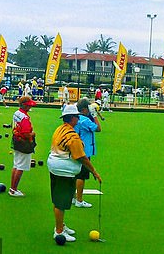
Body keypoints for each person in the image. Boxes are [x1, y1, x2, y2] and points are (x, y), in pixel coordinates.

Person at [47, 104, 102, 243]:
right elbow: (82, 157)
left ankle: (61, 226)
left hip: (54, 167)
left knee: (57, 200)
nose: (78, 118)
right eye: (76, 116)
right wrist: (94, 171)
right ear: (72, 118)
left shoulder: (59, 129)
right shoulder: (72, 136)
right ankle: (58, 231)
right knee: (61, 202)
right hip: (63, 171)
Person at [73, 98, 101, 208]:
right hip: (84, 151)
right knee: (81, 176)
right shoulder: (85, 120)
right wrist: (94, 115)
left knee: (74, 174)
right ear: (85, 109)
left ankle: (72, 197)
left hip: (75, 148)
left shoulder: (75, 118)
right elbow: (98, 128)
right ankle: (79, 200)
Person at [9, 96, 37, 197]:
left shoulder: (17, 113)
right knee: (20, 166)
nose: (30, 107)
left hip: (16, 140)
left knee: (16, 164)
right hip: (23, 142)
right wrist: (33, 134)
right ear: (25, 105)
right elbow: (26, 133)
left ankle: (12, 188)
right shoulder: (24, 118)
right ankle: (13, 189)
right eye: (28, 105)